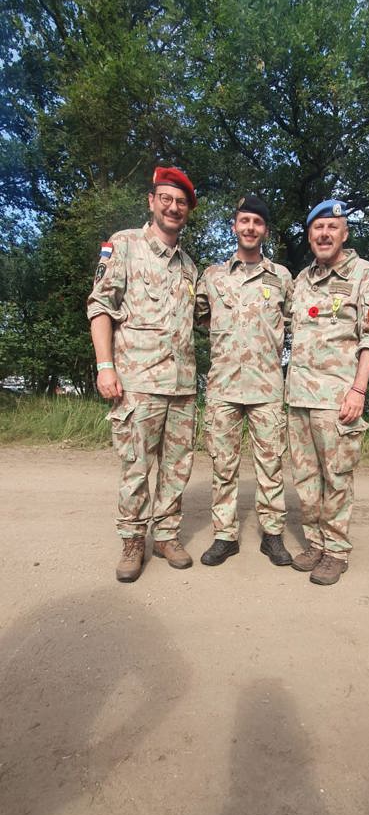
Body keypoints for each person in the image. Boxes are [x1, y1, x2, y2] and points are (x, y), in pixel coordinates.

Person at [87, 166, 198, 582]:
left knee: (177, 466)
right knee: (136, 466)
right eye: (166, 199)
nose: (173, 207)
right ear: (151, 202)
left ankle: (167, 533)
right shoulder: (125, 246)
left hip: (182, 386)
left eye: (181, 202)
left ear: (187, 211)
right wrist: (105, 367)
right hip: (137, 382)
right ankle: (133, 539)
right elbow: (100, 307)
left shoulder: (188, 265)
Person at [287, 198, 369, 586]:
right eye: (318, 228)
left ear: (344, 233)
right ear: (310, 235)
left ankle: (337, 550)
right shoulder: (301, 280)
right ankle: (314, 542)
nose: (324, 234)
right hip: (299, 398)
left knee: (337, 477)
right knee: (306, 479)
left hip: (338, 399)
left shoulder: (364, 275)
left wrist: (358, 390)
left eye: (332, 227)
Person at [195, 195, 294, 567]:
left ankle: (272, 535)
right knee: (223, 463)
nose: (250, 227)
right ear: (234, 226)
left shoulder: (281, 277)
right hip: (223, 386)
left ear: (265, 230)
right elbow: (202, 317)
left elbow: (295, 324)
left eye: (257, 222)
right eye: (244, 221)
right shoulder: (213, 276)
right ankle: (225, 536)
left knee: (271, 464)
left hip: (267, 387)